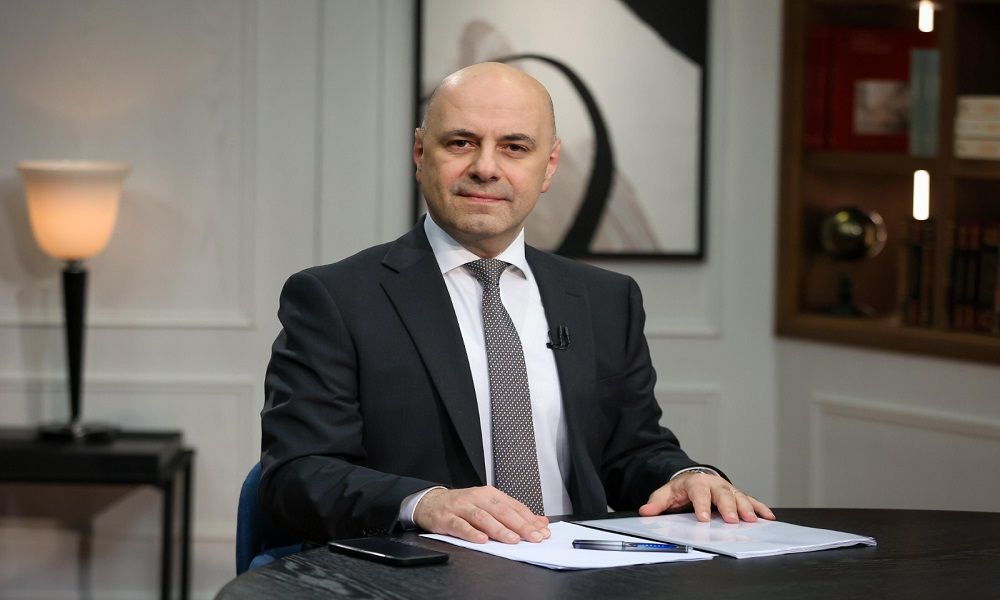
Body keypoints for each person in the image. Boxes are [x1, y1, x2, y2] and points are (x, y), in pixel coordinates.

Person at [260, 62, 773, 546]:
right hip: (419, 576)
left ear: (549, 166)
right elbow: (297, 474)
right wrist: (422, 503)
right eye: (461, 142)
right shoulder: (336, 298)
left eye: (514, 147)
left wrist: (686, 476)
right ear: (419, 153)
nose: (486, 168)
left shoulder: (606, 299)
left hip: (579, 574)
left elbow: (632, 451)